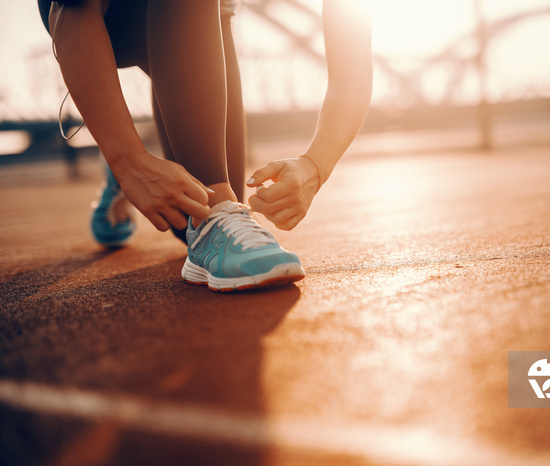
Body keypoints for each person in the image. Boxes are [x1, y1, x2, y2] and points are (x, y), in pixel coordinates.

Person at [38, 0, 373, 291]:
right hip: (103, 15)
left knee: (188, 213)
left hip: (198, 13)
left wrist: (314, 166)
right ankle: (121, 147)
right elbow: (70, 11)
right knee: (214, 206)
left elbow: (353, 69)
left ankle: (127, 141)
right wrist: (128, 161)